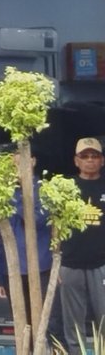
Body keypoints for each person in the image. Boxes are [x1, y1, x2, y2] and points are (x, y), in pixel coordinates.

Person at [0, 186, 63, 349]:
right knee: (23, 327)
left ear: (31, 161)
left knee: (51, 324)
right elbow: (2, 239)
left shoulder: (43, 190)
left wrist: (17, 199)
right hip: (13, 270)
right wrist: (0, 277)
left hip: (42, 268)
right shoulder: (1, 192)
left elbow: (37, 219)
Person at [61, 137, 105, 353]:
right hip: (70, 264)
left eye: (94, 156)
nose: (90, 160)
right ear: (76, 161)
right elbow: (55, 226)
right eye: (84, 156)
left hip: (102, 264)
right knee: (73, 324)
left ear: (102, 160)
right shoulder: (65, 189)